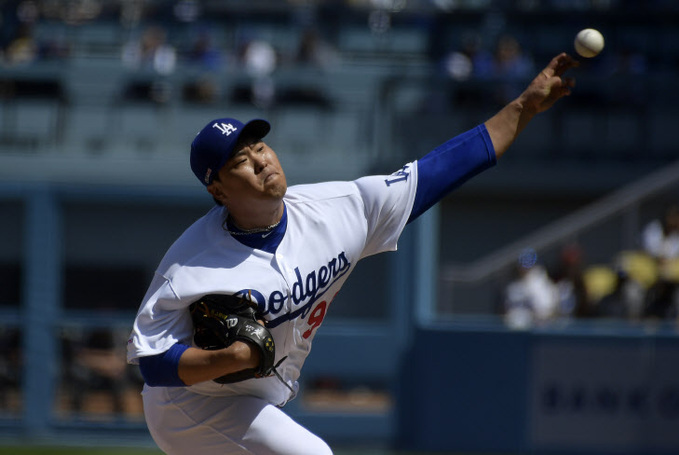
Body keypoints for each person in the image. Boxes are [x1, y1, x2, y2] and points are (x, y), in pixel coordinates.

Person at [127, 52, 578, 454]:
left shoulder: (340, 210)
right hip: (193, 407)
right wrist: (232, 358)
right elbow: (152, 364)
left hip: (260, 394)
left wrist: (523, 107)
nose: (262, 160)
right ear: (218, 190)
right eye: (240, 161)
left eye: (260, 146)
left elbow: (437, 171)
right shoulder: (189, 265)